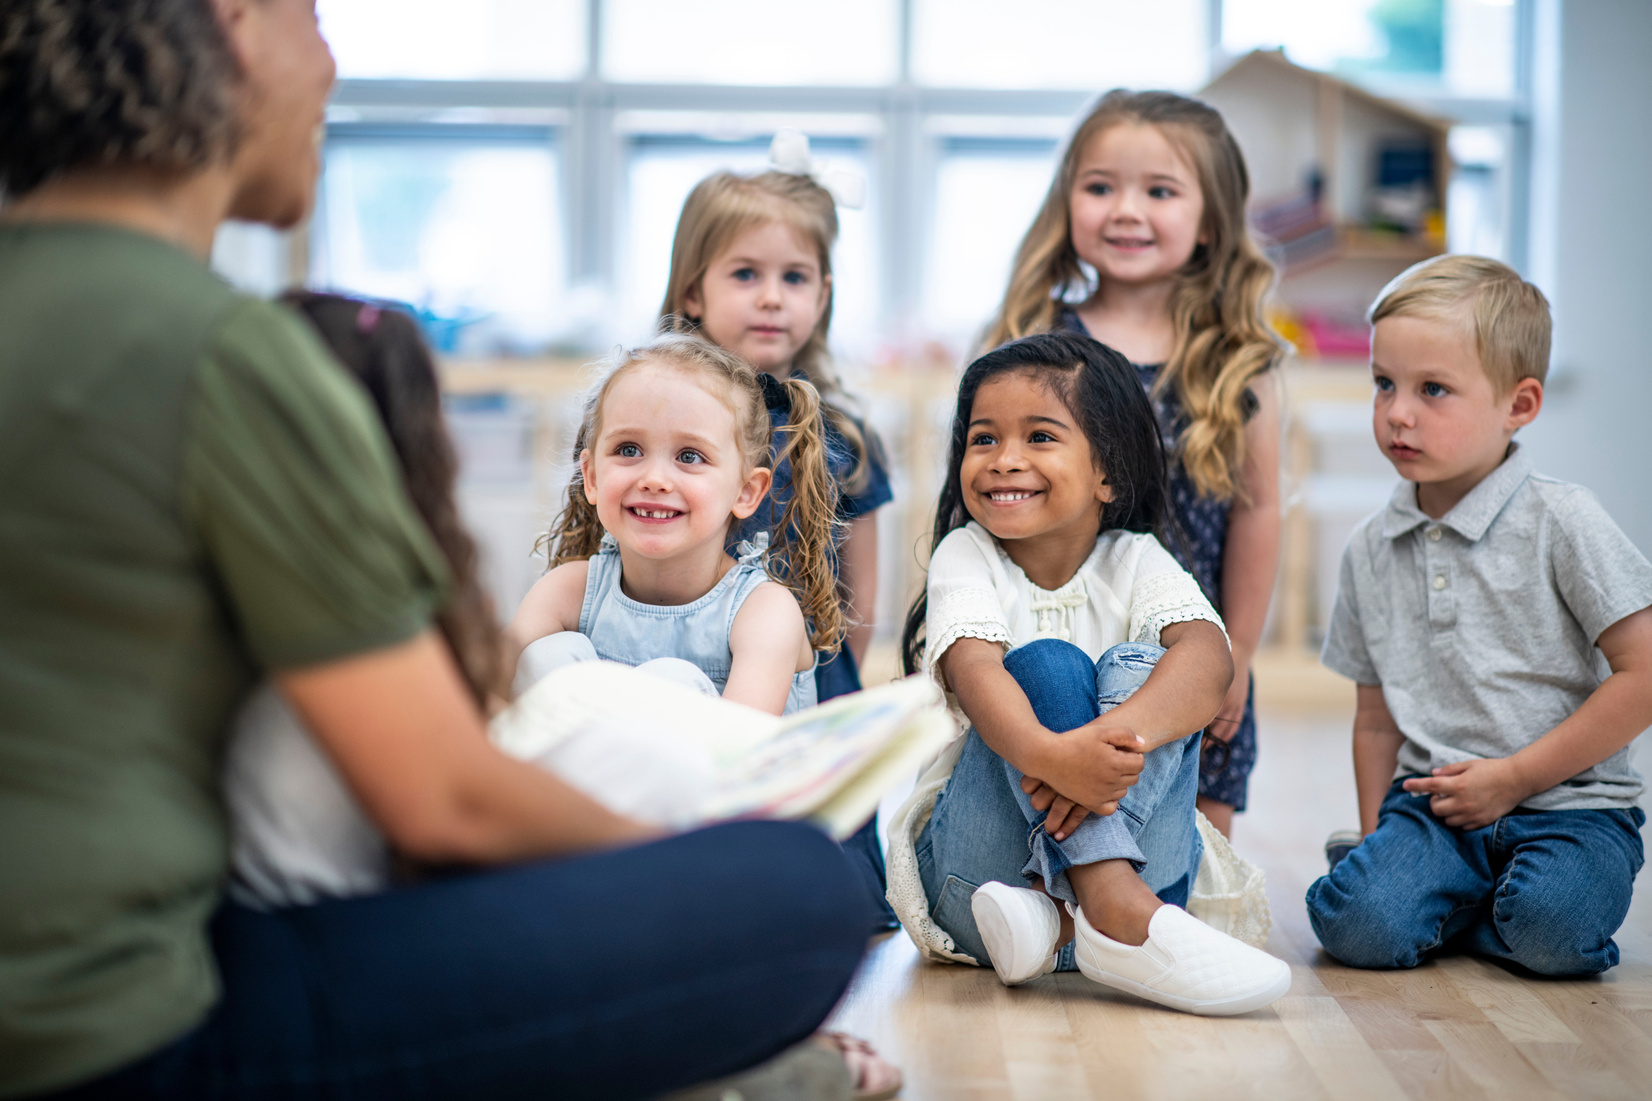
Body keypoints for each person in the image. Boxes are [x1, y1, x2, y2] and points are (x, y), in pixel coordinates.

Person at [0, 3, 893, 1097]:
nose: (329, 61)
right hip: (115, 1027)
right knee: (793, 893)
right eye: (313, 17)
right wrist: (673, 864)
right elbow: (443, 804)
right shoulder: (219, 352)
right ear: (231, 26)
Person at [888, 331, 1292, 1016]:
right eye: (983, 439)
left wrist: (1102, 748)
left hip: (1042, 921)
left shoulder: (1137, 557)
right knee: (1046, 663)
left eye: (1039, 436)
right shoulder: (968, 552)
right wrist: (1052, 755)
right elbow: (975, 668)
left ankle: (1068, 917)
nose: (1004, 460)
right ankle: (1108, 899)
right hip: (981, 892)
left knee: (1154, 670)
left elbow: (1210, 662)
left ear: (1107, 471)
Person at [1306, 255, 1652, 976]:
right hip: (1434, 811)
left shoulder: (1564, 519)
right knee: (1357, 931)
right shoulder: (1370, 547)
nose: (1398, 412)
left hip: (1573, 810)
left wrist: (1516, 777)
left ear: (1519, 405)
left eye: (1433, 389)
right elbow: (1375, 720)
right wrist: (1377, 837)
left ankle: (1460, 910)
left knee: (1553, 933)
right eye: (1384, 384)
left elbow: (1643, 671)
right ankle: (1420, 885)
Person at [985, 90, 1284, 838]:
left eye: (1159, 190)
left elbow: (1257, 509)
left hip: (1188, 651)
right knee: (1054, 826)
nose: (1126, 209)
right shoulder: (1028, 340)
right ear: (1068, 202)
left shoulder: (1241, 363)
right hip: (1054, 634)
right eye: (1100, 187)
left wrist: (1239, 649)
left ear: (1210, 220)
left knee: (1194, 863)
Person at [658, 133, 897, 920]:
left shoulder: (842, 435)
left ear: (822, 294)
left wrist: (832, 683)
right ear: (693, 291)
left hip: (811, 681)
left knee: (828, 887)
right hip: (678, 665)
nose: (772, 297)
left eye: (794, 278)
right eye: (746, 275)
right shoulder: (657, 417)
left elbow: (860, 587)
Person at [509, 334, 842, 718]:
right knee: (547, 657)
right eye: (628, 450)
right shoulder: (570, 590)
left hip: (729, 772)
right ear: (593, 477)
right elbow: (487, 696)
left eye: (689, 456)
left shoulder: (763, 612)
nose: (654, 479)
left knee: (671, 681)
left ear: (747, 492)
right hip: (587, 771)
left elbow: (740, 752)